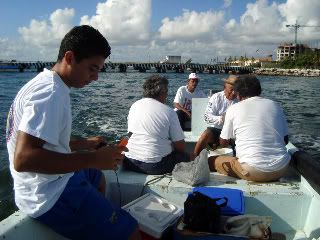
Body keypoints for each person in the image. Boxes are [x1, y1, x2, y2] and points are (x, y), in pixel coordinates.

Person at [6, 25, 140, 240]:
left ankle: (97, 224)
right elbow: (23, 160)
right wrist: (93, 158)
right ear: (70, 57)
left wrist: (85, 144)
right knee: (132, 232)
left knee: (97, 178)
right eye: (92, 68)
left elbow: (45, 139)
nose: (95, 77)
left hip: (44, 183)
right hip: (49, 195)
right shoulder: (51, 94)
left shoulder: (46, 83)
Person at [208, 75, 290, 182]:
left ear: (238, 94)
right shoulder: (276, 106)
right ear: (259, 90)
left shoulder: (233, 109)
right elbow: (285, 140)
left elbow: (223, 143)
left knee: (211, 160)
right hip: (282, 168)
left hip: (252, 171)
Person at [123, 75, 191, 175]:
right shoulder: (169, 112)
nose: (167, 94)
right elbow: (180, 147)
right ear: (162, 92)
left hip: (129, 161)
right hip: (154, 165)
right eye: (167, 91)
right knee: (188, 156)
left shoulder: (134, 105)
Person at [193, 75, 239, 156]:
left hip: (232, 133)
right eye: (231, 90)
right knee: (206, 133)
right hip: (217, 130)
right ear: (225, 87)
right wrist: (221, 119)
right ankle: (195, 157)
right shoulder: (216, 97)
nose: (233, 93)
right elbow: (206, 117)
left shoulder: (240, 100)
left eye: (236, 90)